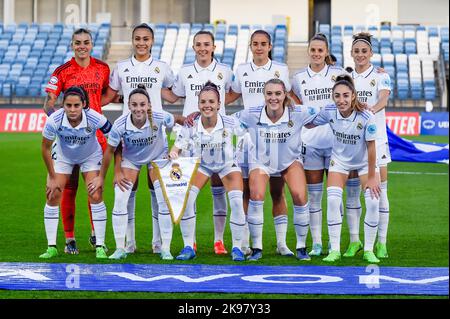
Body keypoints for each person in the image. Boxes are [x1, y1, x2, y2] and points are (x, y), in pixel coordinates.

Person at [102, 23, 175, 254]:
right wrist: (87, 106)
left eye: (146, 39)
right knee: (125, 194)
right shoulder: (122, 67)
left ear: (152, 41)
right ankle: (126, 245)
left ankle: (160, 246)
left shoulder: (162, 67)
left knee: (160, 197)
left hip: (155, 138)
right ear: (132, 40)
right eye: (137, 38)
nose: (141, 42)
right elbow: (112, 95)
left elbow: (171, 94)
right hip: (129, 139)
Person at [89, 84, 185, 259]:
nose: (138, 108)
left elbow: (181, 122)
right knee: (120, 199)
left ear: (148, 105)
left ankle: (164, 248)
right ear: (129, 106)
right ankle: (122, 248)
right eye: (134, 105)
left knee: (163, 200)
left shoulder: (159, 116)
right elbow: (110, 150)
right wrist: (108, 175)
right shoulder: (120, 124)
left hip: (158, 157)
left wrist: (176, 147)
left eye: (142, 104)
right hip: (131, 159)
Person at [162, 30, 233, 255]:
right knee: (187, 190)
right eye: (198, 44)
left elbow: (232, 95)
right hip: (189, 136)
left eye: (207, 44)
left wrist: (217, 112)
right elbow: (173, 96)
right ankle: (189, 241)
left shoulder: (224, 72)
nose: (202, 48)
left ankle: (219, 240)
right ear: (193, 47)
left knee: (219, 189)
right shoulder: (184, 72)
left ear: (214, 47)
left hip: (217, 136)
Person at [225, 29, 295, 257]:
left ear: (270, 46)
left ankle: (282, 243)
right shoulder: (242, 70)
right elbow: (231, 96)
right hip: (246, 138)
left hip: (275, 137)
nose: (259, 47)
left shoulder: (280, 70)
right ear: (250, 46)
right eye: (255, 43)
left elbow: (291, 99)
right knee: (247, 191)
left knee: (277, 191)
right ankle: (245, 242)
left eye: (263, 43)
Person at [44, 28, 110, 255]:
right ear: (72, 45)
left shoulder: (102, 68)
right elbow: (49, 103)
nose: (82, 46)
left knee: (94, 188)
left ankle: (95, 235)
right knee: (68, 188)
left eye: (86, 42)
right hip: (67, 140)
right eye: (78, 42)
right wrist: (61, 125)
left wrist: (96, 113)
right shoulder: (62, 71)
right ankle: (69, 239)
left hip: (95, 138)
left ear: (92, 44)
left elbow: (108, 94)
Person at [304, 74, 381, 263]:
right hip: (339, 161)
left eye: (346, 95)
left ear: (353, 95)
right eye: (337, 96)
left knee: (372, 201)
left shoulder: (367, 115)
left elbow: (372, 148)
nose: (341, 100)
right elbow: (308, 122)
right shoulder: (329, 111)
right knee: (332, 200)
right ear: (333, 97)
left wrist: (371, 177)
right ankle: (335, 249)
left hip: (364, 162)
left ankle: (369, 249)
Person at [168, 81, 246, 262]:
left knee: (236, 202)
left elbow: (245, 139)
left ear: (219, 104)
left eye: (211, 102)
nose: (207, 105)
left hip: (227, 165)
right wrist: (173, 153)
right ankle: (188, 246)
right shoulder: (191, 123)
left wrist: (238, 157)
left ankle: (237, 247)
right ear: (198, 104)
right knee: (187, 200)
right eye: (203, 102)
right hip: (202, 165)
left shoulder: (230, 121)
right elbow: (177, 145)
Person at [236, 78, 310, 261]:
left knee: (299, 196)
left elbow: (328, 113)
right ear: (264, 95)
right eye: (269, 93)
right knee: (257, 194)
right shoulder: (251, 114)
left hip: (289, 160)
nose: (273, 98)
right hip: (261, 162)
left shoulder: (298, 112)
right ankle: (257, 248)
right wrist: (195, 117)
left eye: (278, 93)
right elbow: (225, 120)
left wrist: (356, 107)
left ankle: (298, 247)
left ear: (285, 95)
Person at [40, 86, 111, 259]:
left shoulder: (95, 118)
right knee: (53, 193)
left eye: (76, 105)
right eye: (68, 105)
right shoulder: (54, 120)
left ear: (84, 104)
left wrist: (102, 176)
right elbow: (45, 148)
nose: (72, 110)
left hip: (90, 156)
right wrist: (52, 176)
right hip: (64, 156)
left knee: (95, 193)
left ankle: (100, 245)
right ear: (63, 105)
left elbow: (113, 140)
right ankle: (51, 247)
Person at [291, 33, 345, 257]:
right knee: (314, 197)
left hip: (336, 144)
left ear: (326, 52)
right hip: (310, 143)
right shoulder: (298, 77)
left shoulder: (338, 74)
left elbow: (351, 93)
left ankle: (336, 243)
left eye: (320, 50)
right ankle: (317, 243)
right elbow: (291, 97)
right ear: (309, 51)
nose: (316, 54)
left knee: (335, 197)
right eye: (312, 50)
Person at [343, 32, 391, 259]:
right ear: (351, 53)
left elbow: (383, 99)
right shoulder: (347, 76)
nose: (360, 55)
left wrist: (370, 109)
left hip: (377, 140)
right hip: (352, 141)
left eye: (364, 51)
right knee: (352, 193)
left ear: (371, 53)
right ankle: (355, 241)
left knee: (379, 192)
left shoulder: (381, 75)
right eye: (357, 51)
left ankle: (381, 242)